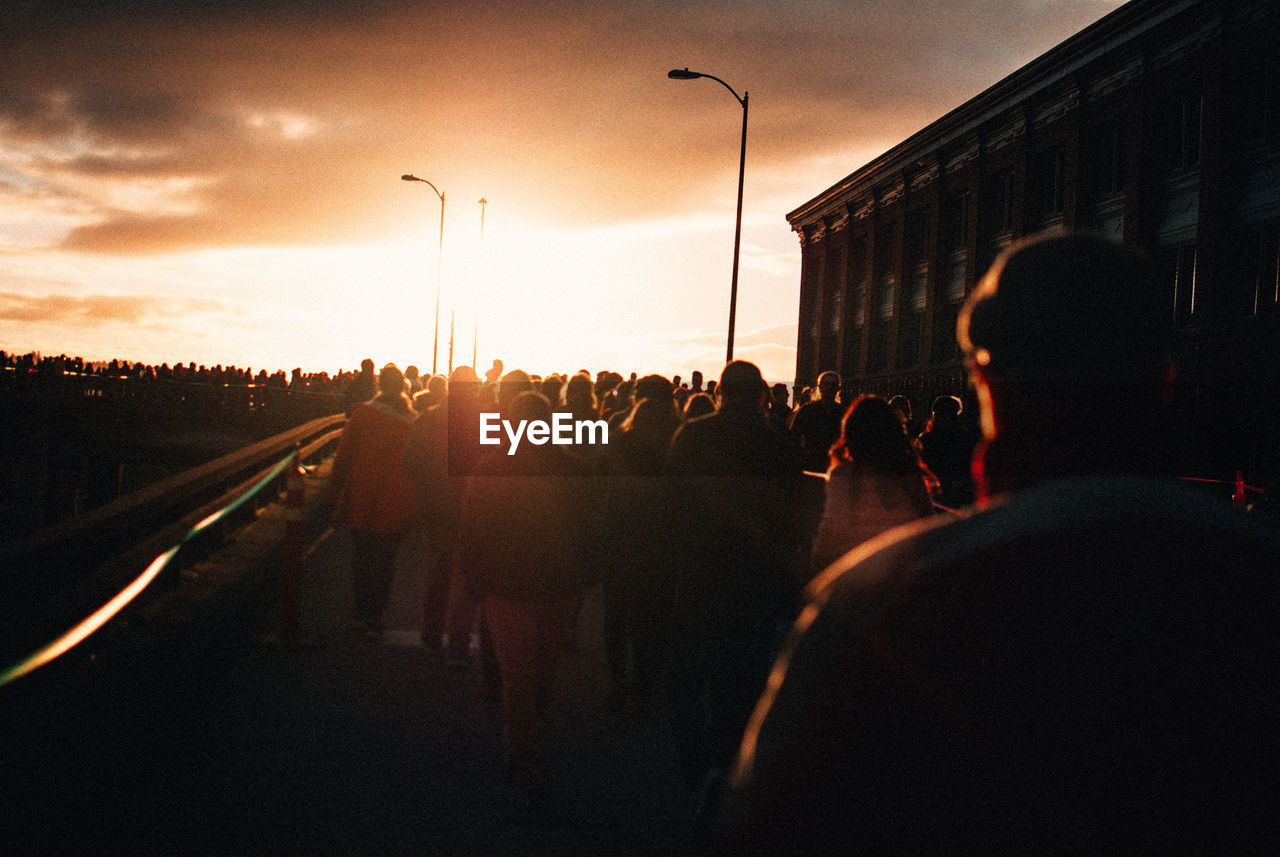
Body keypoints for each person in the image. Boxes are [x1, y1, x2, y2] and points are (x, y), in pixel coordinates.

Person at [716, 233, 1280, 855]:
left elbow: (767, 822)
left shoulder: (879, 604)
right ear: (1167, 379)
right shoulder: (1252, 574)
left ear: (987, 383)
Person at [662, 361, 807, 819]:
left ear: (721, 392)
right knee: (741, 681)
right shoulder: (779, 445)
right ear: (762, 394)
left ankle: (693, 765)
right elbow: (794, 518)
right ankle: (724, 769)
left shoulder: (693, 435)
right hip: (755, 577)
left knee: (688, 674)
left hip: (698, 569)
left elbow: (671, 504)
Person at [457, 390, 594, 807]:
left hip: (505, 586)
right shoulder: (574, 469)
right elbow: (590, 529)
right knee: (542, 674)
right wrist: (586, 576)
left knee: (518, 674)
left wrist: (475, 582)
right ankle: (525, 751)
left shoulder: (489, 468)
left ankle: (522, 751)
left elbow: (471, 530)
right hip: (558, 586)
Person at [329, 363, 417, 637]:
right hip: (397, 499)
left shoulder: (363, 414)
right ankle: (375, 618)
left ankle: (361, 614)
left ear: (380, 384)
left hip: (364, 497)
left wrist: (335, 491)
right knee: (385, 561)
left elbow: (344, 456)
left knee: (362, 558)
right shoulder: (411, 420)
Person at [809, 395, 934, 574]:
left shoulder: (845, 475)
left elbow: (834, 525)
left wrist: (819, 563)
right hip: (903, 568)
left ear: (852, 432)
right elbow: (927, 520)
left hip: (858, 568)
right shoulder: (908, 473)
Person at [915, 393, 978, 509]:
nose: (940, 418)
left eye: (943, 415)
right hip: (956, 493)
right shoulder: (966, 438)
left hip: (940, 493)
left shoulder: (926, 439)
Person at [788, 370, 842, 472]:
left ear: (838, 388)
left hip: (835, 464)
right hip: (812, 462)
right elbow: (794, 436)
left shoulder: (843, 412)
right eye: (826, 384)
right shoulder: (807, 410)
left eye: (833, 384)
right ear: (820, 387)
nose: (830, 387)